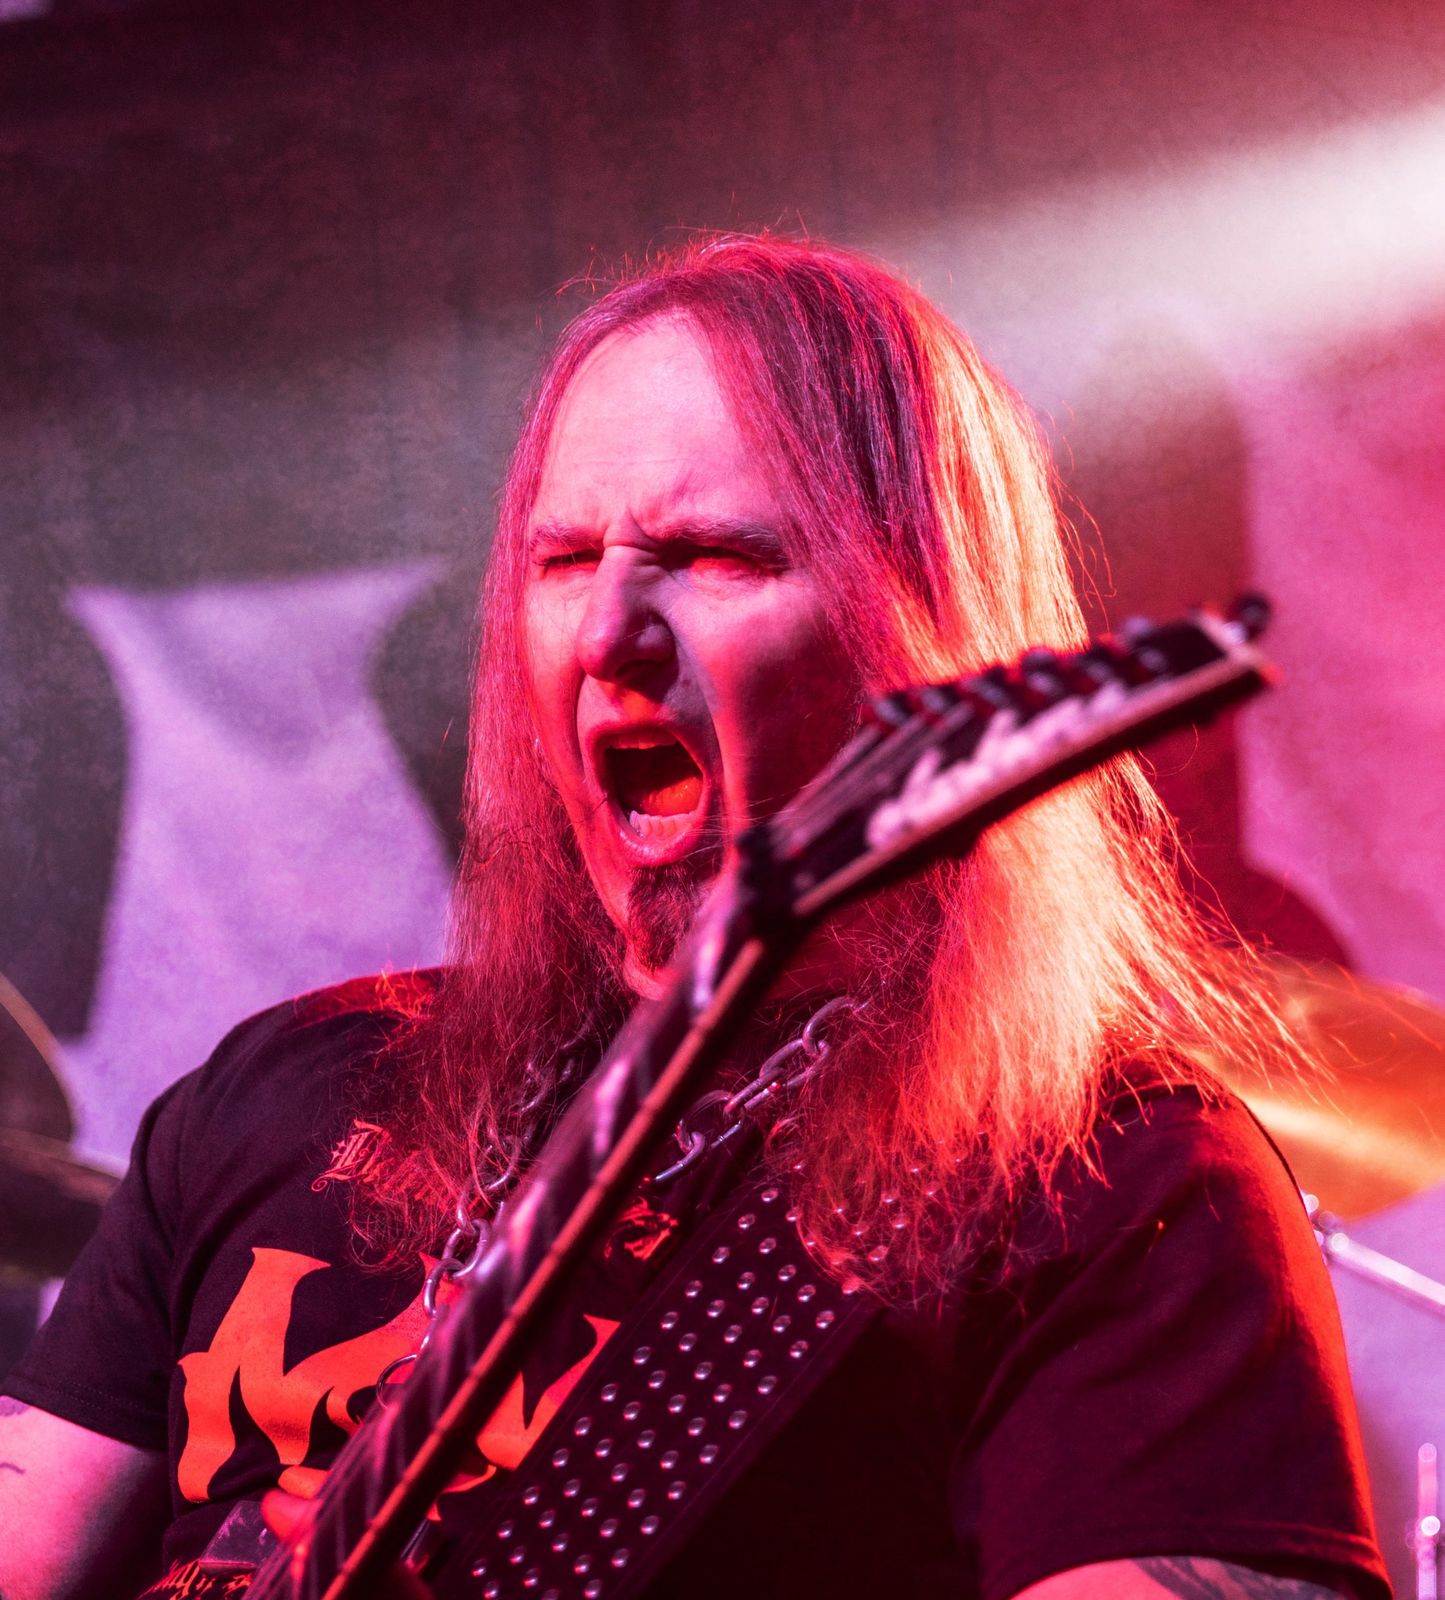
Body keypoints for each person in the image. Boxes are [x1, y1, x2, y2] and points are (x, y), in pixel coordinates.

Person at [0, 236, 1390, 1600]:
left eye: (714, 555)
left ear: (917, 639)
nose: (610, 631)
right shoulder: (285, 1092)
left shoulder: (1106, 1184)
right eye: (563, 559)